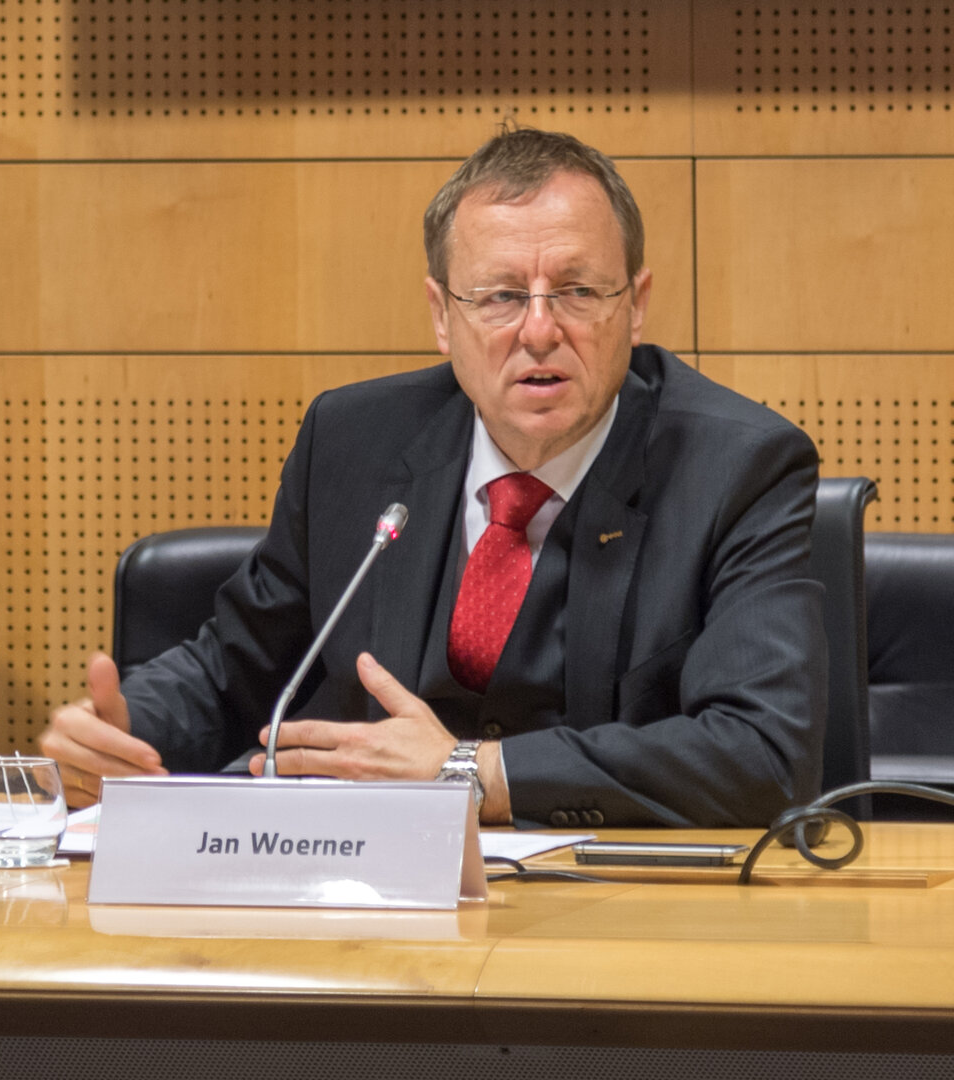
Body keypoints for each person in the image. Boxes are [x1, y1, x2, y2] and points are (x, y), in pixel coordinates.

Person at [42, 127, 825, 829]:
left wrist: (471, 775)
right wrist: (125, 734)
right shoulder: (353, 443)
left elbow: (760, 752)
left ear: (637, 306)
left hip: (622, 919)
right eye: (500, 296)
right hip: (372, 906)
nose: (541, 330)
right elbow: (238, 667)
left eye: (579, 292)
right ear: (443, 316)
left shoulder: (739, 468)